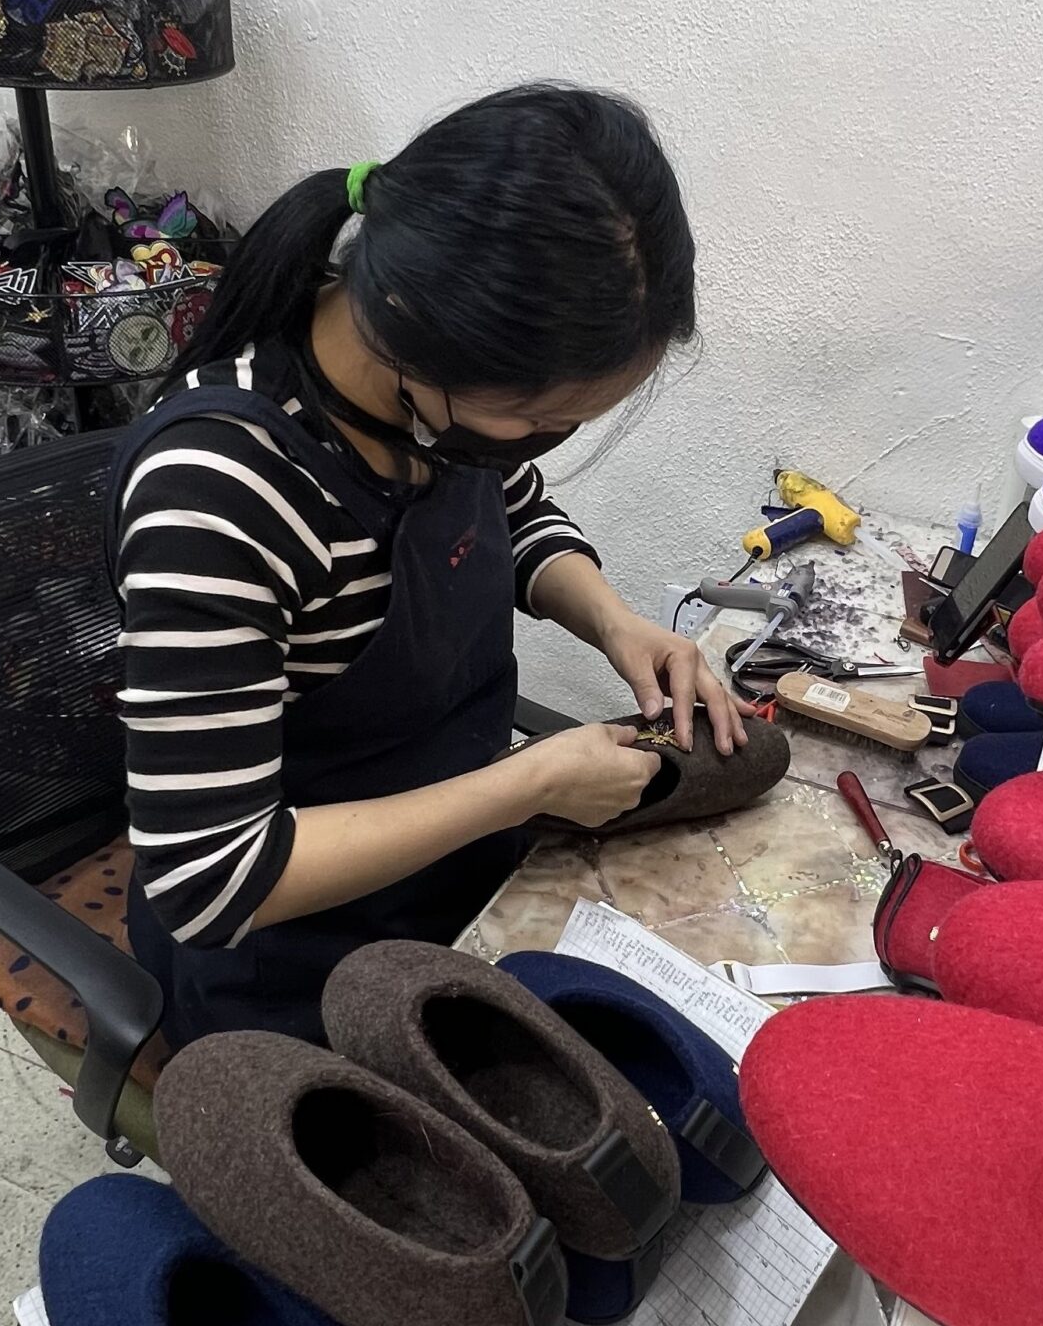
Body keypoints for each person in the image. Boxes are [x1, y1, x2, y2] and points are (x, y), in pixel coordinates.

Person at [109, 82, 748, 1049]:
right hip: (292, 961)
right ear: (418, 326)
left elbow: (511, 507)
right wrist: (525, 785)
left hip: (456, 876)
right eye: (537, 420)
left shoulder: (425, 407)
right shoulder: (220, 491)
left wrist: (614, 622)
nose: (544, 442)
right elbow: (211, 880)